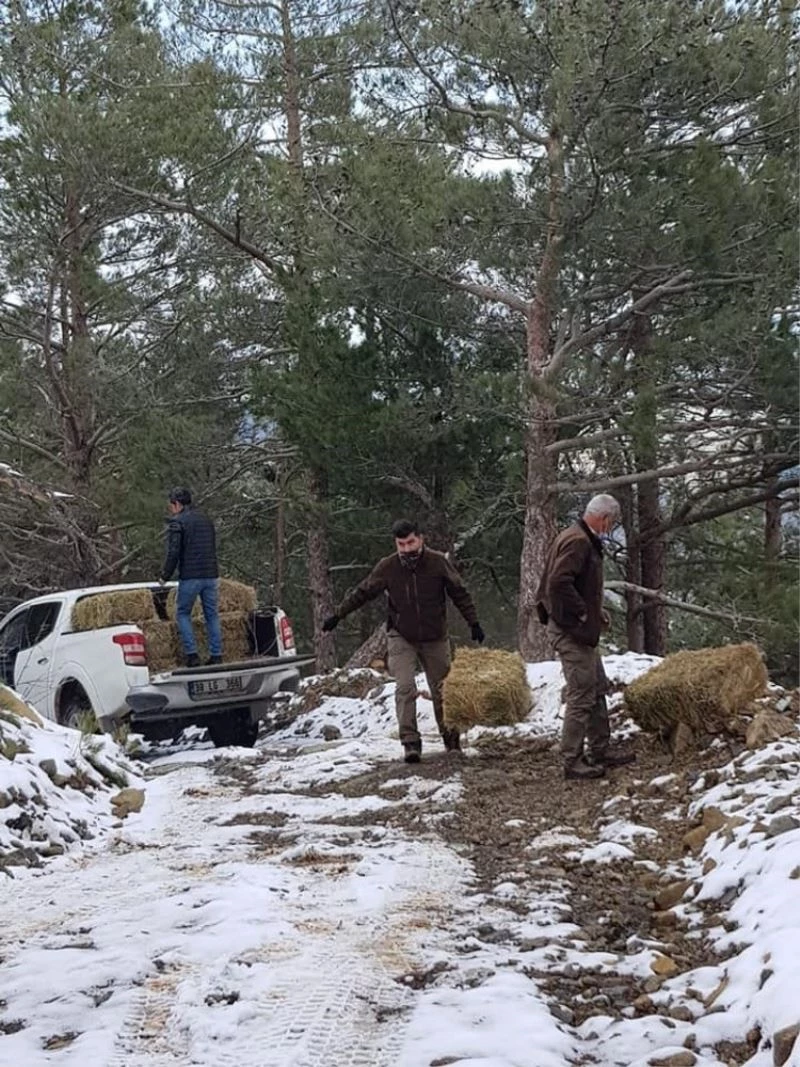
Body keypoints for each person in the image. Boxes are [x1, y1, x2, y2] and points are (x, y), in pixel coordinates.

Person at [322, 519, 485, 763]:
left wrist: (473, 622)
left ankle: (451, 740)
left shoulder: (437, 562)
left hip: (435, 635)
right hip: (401, 635)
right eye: (401, 544)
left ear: (420, 539)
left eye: (411, 542)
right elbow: (363, 592)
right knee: (405, 687)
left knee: (442, 689)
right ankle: (410, 743)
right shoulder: (388, 567)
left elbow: (459, 592)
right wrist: (338, 615)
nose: (407, 549)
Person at [535, 494, 635, 781]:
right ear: (604, 518)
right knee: (581, 694)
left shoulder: (574, 534)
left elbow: (573, 583)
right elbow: (558, 582)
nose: (610, 528)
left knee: (597, 686)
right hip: (570, 631)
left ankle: (600, 748)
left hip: (579, 629)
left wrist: (594, 611)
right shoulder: (579, 541)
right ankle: (572, 759)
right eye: (611, 523)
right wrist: (581, 612)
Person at [160, 487, 223, 668]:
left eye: (171, 505)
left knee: (182, 613)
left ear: (177, 504)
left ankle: (192, 655)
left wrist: (165, 575)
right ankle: (216, 654)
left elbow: (173, 552)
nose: (171, 509)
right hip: (210, 574)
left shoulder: (178, 523)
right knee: (212, 615)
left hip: (190, 575)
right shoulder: (206, 520)